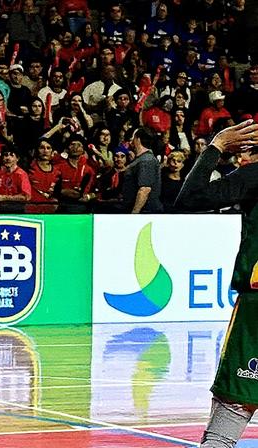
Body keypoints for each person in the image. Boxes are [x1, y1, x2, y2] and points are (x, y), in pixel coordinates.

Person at [174, 120, 258, 448]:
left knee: (231, 414)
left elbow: (190, 198)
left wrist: (218, 146)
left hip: (255, 310)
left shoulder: (255, 175)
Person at [121, 127, 163, 213]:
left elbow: (144, 189)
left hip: (145, 213)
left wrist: (134, 213)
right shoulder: (140, 159)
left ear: (138, 139)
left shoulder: (146, 160)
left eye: (133, 137)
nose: (131, 140)